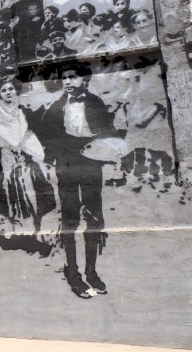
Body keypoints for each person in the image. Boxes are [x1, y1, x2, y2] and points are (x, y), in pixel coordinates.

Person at [40, 62, 121, 299]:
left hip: (90, 160)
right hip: (66, 163)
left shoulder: (96, 103)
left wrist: (109, 156)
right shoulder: (56, 107)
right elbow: (50, 137)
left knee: (94, 216)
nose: (67, 82)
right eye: (64, 78)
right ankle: (74, 275)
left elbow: (108, 132)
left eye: (72, 77)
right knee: (70, 217)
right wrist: (47, 163)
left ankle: (91, 272)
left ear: (84, 80)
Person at [0, 78, 54, 234]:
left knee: (34, 186)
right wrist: (8, 150)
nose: (8, 92)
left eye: (10, 89)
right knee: (13, 189)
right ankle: (18, 226)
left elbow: (31, 133)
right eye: (3, 90)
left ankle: (37, 224)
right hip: (7, 155)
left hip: (27, 153)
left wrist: (26, 148)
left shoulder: (23, 109)